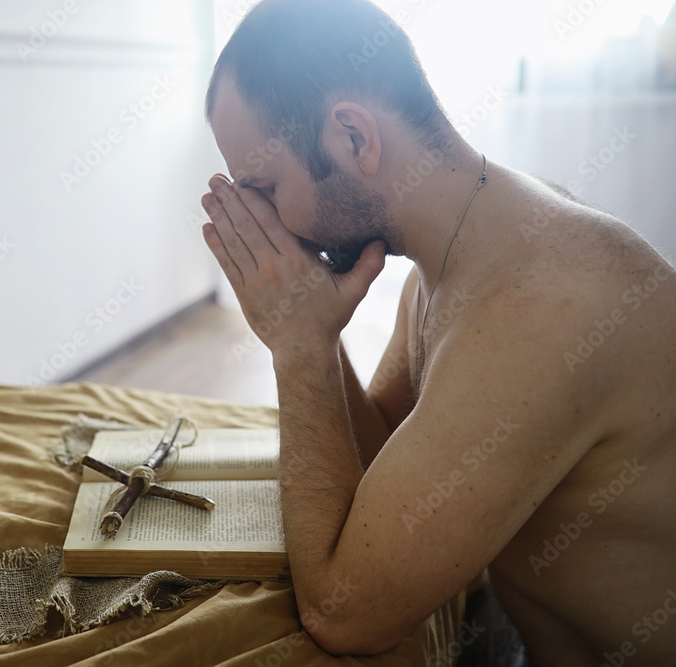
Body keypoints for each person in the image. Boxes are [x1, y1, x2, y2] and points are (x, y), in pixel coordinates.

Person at [198, 0, 676, 663]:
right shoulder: (457, 253)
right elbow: (383, 466)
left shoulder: (538, 309)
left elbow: (344, 615)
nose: (266, 222)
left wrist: (299, 349)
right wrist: (315, 329)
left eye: (266, 186)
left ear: (354, 138)